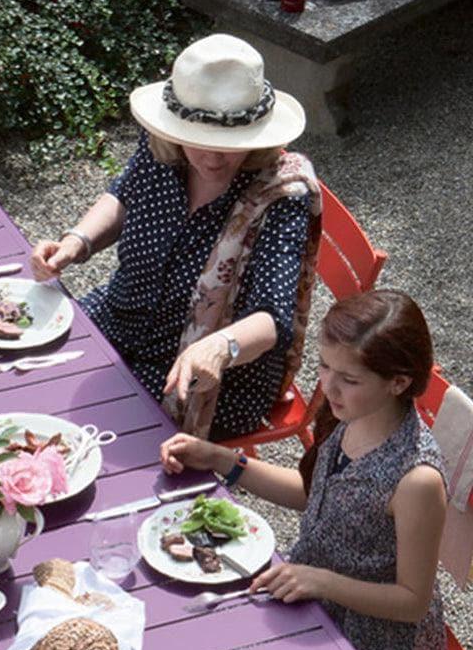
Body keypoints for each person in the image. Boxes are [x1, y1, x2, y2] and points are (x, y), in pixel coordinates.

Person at [160, 290, 447, 650]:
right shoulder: (352, 413)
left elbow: (412, 603)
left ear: (398, 383)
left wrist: (322, 582)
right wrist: (222, 460)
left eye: (348, 379)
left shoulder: (417, 479)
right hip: (310, 587)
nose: (328, 386)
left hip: (370, 636)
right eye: (325, 367)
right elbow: (312, 493)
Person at [31, 33, 321, 443]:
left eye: (229, 145)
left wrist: (222, 346)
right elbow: (124, 196)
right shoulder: (160, 147)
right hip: (122, 313)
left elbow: (272, 319)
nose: (213, 158)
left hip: (202, 375)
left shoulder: (280, 195)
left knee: (80, 431)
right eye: (199, 142)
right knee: (32, 369)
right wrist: (76, 242)